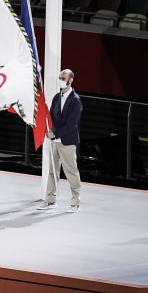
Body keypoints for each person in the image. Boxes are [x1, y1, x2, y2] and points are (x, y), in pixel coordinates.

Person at [38, 69, 84, 213]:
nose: (61, 80)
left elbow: (71, 124)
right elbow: (52, 117)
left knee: (71, 171)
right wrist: (49, 129)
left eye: (63, 78)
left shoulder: (76, 100)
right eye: (59, 77)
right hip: (54, 141)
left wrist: (55, 133)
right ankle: (50, 200)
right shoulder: (57, 97)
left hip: (67, 141)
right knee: (52, 171)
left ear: (71, 80)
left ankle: (75, 202)